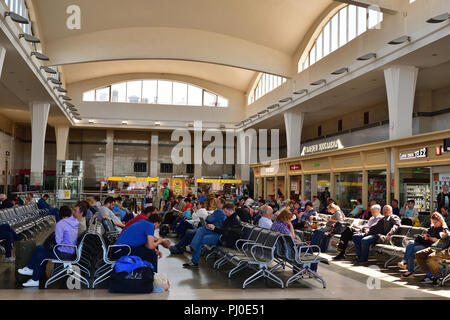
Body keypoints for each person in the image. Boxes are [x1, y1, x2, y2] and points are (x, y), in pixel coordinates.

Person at [18, 206, 80, 287]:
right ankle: (32, 272)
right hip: (71, 251)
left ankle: (32, 274)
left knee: (40, 252)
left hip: (63, 252)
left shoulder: (61, 223)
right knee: (40, 249)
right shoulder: (75, 222)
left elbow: (58, 241)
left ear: (60, 214)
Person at [183, 202, 240, 268]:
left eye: (226, 212)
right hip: (221, 234)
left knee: (201, 239)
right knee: (201, 229)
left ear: (231, 211)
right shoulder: (230, 217)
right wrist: (213, 227)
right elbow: (224, 229)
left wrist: (214, 228)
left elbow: (227, 232)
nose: (224, 213)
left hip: (224, 239)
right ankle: (192, 247)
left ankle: (194, 261)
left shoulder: (235, 220)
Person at [398, 212, 447, 278]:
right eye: (433, 222)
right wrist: (425, 236)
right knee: (410, 243)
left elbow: (438, 241)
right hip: (425, 243)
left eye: (436, 222)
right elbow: (428, 234)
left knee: (410, 250)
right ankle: (405, 263)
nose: (434, 224)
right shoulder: (432, 227)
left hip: (431, 247)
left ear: (440, 221)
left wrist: (429, 238)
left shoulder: (444, 229)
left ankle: (408, 268)